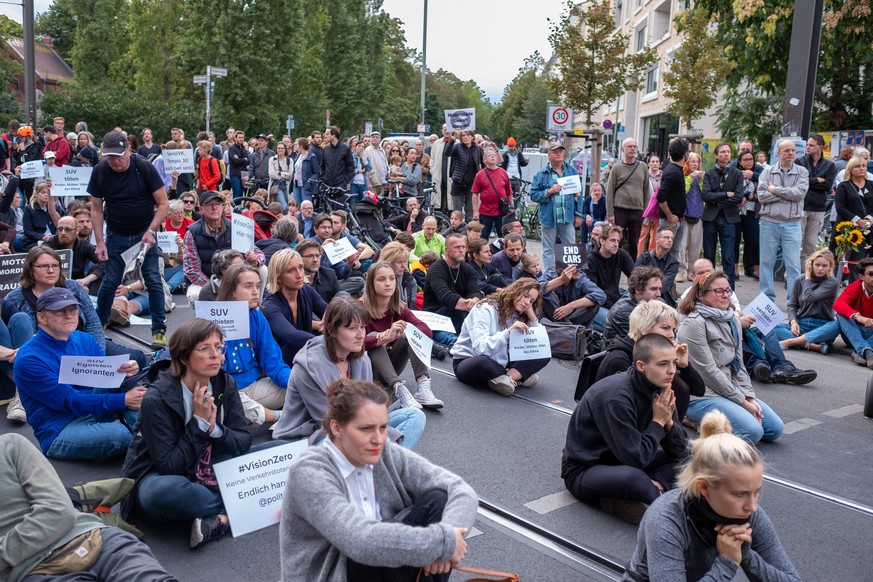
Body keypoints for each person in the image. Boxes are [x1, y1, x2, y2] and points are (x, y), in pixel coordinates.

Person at [281, 378, 477, 582]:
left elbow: (460, 490)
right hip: (339, 572)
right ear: (337, 428)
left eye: (383, 427)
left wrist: (451, 534)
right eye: (366, 429)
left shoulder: (385, 453)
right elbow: (359, 541)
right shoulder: (309, 472)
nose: (379, 439)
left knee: (439, 498)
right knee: (369, 545)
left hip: (377, 566)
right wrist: (443, 542)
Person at [120, 319, 261, 549]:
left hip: (212, 466)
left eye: (218, 347)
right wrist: (198, 423)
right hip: (168, 478)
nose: (216, 355)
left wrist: (214, 429)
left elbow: (243, 441)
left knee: (286, 453)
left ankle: (221, 519)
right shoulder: (157, 399)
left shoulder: (226, 383)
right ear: (184, 357)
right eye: (205, 349)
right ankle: (251, 496)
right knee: (159, 493)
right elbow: (169, 466)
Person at [624, 410, 802, 581]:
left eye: (756, 492)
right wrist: (727, 562)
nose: (752, 506)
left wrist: (745, 555)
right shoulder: (666, 518)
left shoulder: (747, 514)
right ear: (704, 488)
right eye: (739, 494)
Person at [0, 433, 178, 581]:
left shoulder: (10, 446)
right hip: (35, 572)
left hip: (92, 539)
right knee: (118, 436)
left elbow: (59, 511)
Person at [562, 333, 690, 524]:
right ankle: (667, 510)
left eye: (673, 363)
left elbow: (680, 449)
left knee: (697, 458)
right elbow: (635, 458)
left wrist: (669, 423)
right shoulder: (615, 396)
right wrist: (657, 422)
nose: (671, 371)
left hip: (629, 458)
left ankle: (654, 488)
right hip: (587, 469)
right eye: (663, 364)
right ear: (641, 366)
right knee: (634, 479)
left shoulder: (661, 387)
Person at [272, 298, 426, 449]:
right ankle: (380, 464)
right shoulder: (308, 367)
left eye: (363, 327)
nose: (360, 335)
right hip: (312, 437)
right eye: (352, 328)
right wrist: (381, 435)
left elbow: (366, 405)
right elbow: (330, 421)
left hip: (354, 425)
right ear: (332, 330)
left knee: (415, 416)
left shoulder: (361, 358)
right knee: (341, 439)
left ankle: (377, 465)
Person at [12, 287, 146, 459]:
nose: (69, 315)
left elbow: (105, 380)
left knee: (136, 390)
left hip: (90, 407)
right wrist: (123, 400)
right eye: (60, 311)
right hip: (59, 428)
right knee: (118, 435)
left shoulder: (84, 339)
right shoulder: (29, 359)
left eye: (73, 309)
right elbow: (70, 401)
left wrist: (125, 372)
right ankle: (148, 438)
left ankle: (150, 433)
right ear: (41, 317)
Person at [677, 271, 784, 443]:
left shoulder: (732, 320)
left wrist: (749, 396)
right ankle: (696, 423)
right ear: (701, 294)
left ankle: (713, 423)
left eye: (728, 290)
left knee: (774, 429)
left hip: (729, 388)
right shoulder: (694, 324)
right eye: (718, 291)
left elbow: (738, 364)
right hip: (702, 394)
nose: (726, 295)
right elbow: (708, 372)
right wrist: (742, 402)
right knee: (753, 432)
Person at [89, 130, 169, 347]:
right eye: (110, 156)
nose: (115, 161)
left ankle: (159, 330)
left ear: (128, 150)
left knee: (152, 279)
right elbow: (95, 208)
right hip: (117, 234)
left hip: (145, 233)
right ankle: (100, 323)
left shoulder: (143, 167)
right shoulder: (101, 171)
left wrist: (151, 231)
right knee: (110, 280)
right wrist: (100, 241)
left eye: (119, 155)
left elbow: (163, 204)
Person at [597, 300, 704, 423]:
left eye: (673, 330)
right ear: (644, 328)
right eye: (665, 328)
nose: (672, 335)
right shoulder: (620, 359)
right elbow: (628, 411)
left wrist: (684, 366)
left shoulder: (660, 354)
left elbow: (699, 390)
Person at [362, 261, 443, 409]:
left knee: (411, 332)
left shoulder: (399, 307)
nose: (388, 284)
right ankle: (398, 387)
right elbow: (354, 342)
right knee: (375, 336)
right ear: (371, 283)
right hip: (366, 370)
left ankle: (422, 384)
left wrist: (404, 332)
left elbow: (426, 331)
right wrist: (385, 336)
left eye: (392, 278)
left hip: (390, 366)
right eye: (381, 279)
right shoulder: (359, 307)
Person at [217, 264, 289, 425]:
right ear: (232, 291)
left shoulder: (257, 317)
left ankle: (248, 416)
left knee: (298, 386)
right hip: (226, 391)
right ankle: (278, 416)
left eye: (257, 285)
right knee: (223, 401)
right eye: (248, 287)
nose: (256, 292)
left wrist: (299, 383)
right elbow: (208, 378)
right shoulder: (212, 320)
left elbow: (274, 363)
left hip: (254, 387)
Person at [451, 278, 549, 396]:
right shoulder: (485, 308)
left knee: (542, 351)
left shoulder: (519, 313)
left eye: (532, 301)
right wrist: (508, 332)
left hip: (500, 362)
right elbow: (481, 348)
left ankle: (507, 377)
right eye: (525, 296)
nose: (527, 302)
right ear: (515, 291)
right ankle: (517, 375)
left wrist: (531, 315)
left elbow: (538, 341)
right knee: (483, 362)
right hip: (470, 360)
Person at [183, 191, 265, 306]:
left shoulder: (236, 227)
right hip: (208, 279)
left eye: (217, 203)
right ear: (201, 209)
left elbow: (258, 253)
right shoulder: (192, 232)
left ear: (222, 207)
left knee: (263, 269)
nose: (214, 207)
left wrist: (255, 260)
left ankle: (256, 309)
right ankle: (206, 322)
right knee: (195, 294)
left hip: (237, 277)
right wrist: (212, 286)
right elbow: (191, 269)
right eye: (209, 204)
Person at [757, 139, 809, 302]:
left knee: (793, 265)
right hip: (769, 222)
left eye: (793, 150)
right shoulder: (767, 172)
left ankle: (792, 301)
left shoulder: (802, 172)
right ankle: (766, 299)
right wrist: (786, 194)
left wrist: (774, 190)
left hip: (792, 223)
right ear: (778, 153)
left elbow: (799, 194)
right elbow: (762, 196)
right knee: (766, 262)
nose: (791, 153)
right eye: (787, 150)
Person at [262, 248, 327, 366]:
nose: (299, 274)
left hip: (307, 352)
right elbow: (292, 337)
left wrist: (330, 321)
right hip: (281, 363)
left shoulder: (306, 290)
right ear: (278, 277)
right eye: (291, 270)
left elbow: (328, 311)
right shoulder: (269, 306)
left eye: (301, 267)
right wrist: (329, 342)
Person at [774, 249, 841, 353]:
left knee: (837, 325)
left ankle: (791, 342)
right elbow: (792, 305)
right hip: (802, 323)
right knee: (770, 326)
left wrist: (807, 277)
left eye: (824, 266)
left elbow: (808, 297)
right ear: (811, 264)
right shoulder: (799, 280)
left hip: (822, 326)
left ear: (830, 267)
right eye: (817, 265)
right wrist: (793, 322)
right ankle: (814, 346)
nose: (820, 269)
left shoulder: (832, 282)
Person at [530, 143, 583, 271]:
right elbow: (533, 195)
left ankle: (570, 275)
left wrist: (579, 214)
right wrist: (549, 191)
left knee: (570, 249)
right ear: (549, 156)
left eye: (560, 151)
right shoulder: (541, 174)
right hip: (549, 219)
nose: (558, 153)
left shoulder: (571, 171)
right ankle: (549, 276)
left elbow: (579, 195)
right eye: (555, 152)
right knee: (548, 250)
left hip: (568, 217)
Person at [422, 233, 483, 339]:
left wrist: (474, 300)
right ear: (447, 250)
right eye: (457, 247)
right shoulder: (436, 269)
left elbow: (475, 290)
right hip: (436, 314)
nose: (461, 250)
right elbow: (444, 296)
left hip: (460, 310)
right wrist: (468, 305)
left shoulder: (467, 269)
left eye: (463, 247)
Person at [702, 142, 744, 289]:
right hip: (710, 218)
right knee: (708, 255)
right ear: (716, 155)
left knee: (728, 257)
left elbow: (738, 197)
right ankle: (707, 289)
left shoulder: (737, 174)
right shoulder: (709, 173)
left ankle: (729, 291)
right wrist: (725, 194)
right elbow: (706, 195)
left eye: (728, 152)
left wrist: (718, 202)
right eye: (722, 152)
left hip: (729, 218)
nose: (726, 154)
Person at [606, 138, 651, 260]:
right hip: (620, 210)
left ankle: (632, 271)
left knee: (634, 243)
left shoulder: (643, 167)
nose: (632, 149)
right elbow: (609, 191)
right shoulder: (616, 167)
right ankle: (615, 267)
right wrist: (610, 213)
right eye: (629, 146)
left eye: (634, 146)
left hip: (637, 211)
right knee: (617, 241)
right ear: (623, 149)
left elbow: (647, 190)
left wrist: (647, 212)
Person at [585, 225, 635, 329]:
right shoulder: (590, 260)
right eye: (612, 240)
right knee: (618, 326)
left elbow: (636, 276)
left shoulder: (621, 254)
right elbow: (593, 293)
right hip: (597, 305)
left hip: (617, 301)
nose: (616, 244)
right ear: (602, 241)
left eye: (617, 241)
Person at [796, 134, 836, 266]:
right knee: (796, 241)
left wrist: (809, 182)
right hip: (801, 206)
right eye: (807, 144)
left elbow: (827, 185)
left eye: (811, 145)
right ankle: (791, 275)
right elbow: (798, 183)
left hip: (818, 207)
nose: (807, 147)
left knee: (811, 244)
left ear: (820, 147)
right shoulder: (800, 162)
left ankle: (806, 272)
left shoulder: (829, 165)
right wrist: (816, 180)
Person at [833, 154, 873, 279]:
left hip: (866, 231)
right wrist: (857, 220)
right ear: (850, 169)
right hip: (846, 230)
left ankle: (856, 292)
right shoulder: (844, 186)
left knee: (858, 264)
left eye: (864, 166)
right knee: (839, 262)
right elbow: (840, 207)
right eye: (857, 166)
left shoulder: (871, 184)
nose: (862, 168)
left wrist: (869, 219)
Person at [44, 214, 104, 295]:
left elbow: (104, 262)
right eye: (60, 229)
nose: (63, 233)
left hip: (78, 283)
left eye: (68, 229)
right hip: (53, 285)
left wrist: (87, 279)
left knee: (101, 269)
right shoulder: (48, 245)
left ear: (77, 231)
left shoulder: (84, 245)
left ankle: (92, 300)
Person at [603, 266, 664, 343]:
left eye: (660, 289)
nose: (659, 294)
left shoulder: (658, 302)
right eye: (653, 289)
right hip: (623, 352)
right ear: (638, 290)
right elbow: (643, 342)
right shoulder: (623, 311)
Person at [539, 262, 606, 327]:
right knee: (546, 294)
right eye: (574, 268)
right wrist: (562, 280)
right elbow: (536, 289)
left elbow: (600, 295)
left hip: (572, 317)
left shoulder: (580, 277)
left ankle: (568, 328)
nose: (578, 270)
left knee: (594, 303)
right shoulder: (551, 273)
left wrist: (571, 306)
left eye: (579, 267)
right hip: (551, 317)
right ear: (562, 268)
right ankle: (569, 327)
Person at [834, 256, 873, 367]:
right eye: (871, 274)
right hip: (853, 331)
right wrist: (858, 317)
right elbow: (838, 304)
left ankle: (862, 351)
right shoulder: (855, 287)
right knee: (841, 314)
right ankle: (868, 352)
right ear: (861, 276)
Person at [472, 148, 513, 240]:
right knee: (483, 237)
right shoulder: (480, 174)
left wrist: (512, 205)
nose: (493, 157)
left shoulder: (503, 173)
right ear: (485, 159)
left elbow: (509, 192)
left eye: (494, 155)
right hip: (485, 212)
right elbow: (475, 193)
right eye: (490, 156)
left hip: (502, 211)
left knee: (503, 236)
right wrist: (475, 211)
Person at [676, 152, 705, 282]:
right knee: (682, 246)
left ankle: (692, 271)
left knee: (695, 246)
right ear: (687, 163)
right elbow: (682, 192)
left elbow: (706, 193)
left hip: (698, 215)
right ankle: (680, 271)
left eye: (696, 162)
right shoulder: (682, 176)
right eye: (692, 161)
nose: (694, 164)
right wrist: (689, 178)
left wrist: (703, 179)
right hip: (684, 216)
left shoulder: (702, 177)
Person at [445, 130, 483, 220]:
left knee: (470, 213)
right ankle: (457, 232)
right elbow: (447, 153)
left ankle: (469, 232)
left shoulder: (477, 149)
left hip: (472, 184)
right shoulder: (457, 147)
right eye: (463, 136)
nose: (465, 137)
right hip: (458, 182)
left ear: (472, 137)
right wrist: (453, 140)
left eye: (467, 135)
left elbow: (484, 163)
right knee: (457, 213)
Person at [734, 150, 761, 280]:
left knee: (754, 241)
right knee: (734, 241)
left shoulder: (759, 173)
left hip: (752, 212)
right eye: (745, 160)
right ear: (740, 162)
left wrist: (752, 196)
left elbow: (766, 192)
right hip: (736, 212)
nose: (749, 162)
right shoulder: (735, 173)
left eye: (751, 159)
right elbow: (730, 189)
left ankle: (757, 270)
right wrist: (744, 194)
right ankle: (734, 270)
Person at [635, 227, 679, 307]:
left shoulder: (673, 263)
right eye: (666, 237)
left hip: (661, 298)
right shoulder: (644, 258)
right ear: (657, 239)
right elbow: (635, 279)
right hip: (640, 295)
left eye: (671, 238)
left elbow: (664, 286)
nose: (670, 240)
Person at [297, 239, 342, 303]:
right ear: (299, 258)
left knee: (343, 294)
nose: (315, 260)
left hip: (327, 311)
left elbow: (340, 296)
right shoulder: (296, 279)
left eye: (317, 256)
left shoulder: (329, 274)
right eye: (310, 256)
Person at [21, 180, 60, 252]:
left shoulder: (55, 208)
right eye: (43, 192)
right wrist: (43, 237)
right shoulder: (29, 209)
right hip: (34, 241)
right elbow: (28, 231)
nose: (46, 195)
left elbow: (59, 226)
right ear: (36, 194)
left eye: (48, 193)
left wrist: (54, 237)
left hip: (53, 240)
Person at [320, 126, 354, 190]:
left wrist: (345, 180)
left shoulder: (345, 148)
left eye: (327, 134)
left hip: (340, 184)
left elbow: (351, 167)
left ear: (333, 135)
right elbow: (322, 166)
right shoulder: (325, 149)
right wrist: (323, 178)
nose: (325, 135)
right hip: (326, 184)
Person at [268, 140, 294, 212]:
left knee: (289, 206)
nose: (280, 150)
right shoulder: (272, 159)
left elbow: (291, 175)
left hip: (287, 186)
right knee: (284, 207)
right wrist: (284, 175)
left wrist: (279, 173)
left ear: (285, 149)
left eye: (282, 148)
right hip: (276, 186)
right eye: (278, 148)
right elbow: (271, 174)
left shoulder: (289, 160)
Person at [581, 182, 607, 248]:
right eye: (595, 191)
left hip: (601, 221)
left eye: (599, 190)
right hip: (591, 221)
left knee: (592, 222)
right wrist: (587, 216)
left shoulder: (604, 200)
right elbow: (583, 213)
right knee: (583, 222)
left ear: (601, 191)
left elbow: (598, 215)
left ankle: (593, 244)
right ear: (591, 192)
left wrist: (595, 203)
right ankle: (583, 244)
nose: (597, 192)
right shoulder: (587, 199)